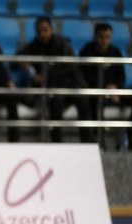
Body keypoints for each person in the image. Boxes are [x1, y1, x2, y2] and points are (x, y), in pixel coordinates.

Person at [18, 16, 93, 144]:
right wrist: (24, 64)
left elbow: (68, 68)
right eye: (39, 31)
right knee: (55, 101)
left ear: (51, 29)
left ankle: (87, 142)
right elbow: (18, 58)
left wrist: (46, 75)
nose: (42, 34)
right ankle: (57, 143)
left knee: (83, 99)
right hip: (51, 88)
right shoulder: (34, 45)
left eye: (45, 30)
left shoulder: (63, 44)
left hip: (68, 84)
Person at [79, 23, 132, 151]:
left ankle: (129, 137)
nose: (104, 40)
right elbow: (86, 78)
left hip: (114, 90)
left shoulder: (115, 52)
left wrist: (115, 87)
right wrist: (105, 88)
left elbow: (121, 76)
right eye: (101, 37)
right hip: (95, 91)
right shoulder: (86, 52)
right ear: (95, 37)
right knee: (94, 101)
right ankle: (99, 141)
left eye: (107, 37)